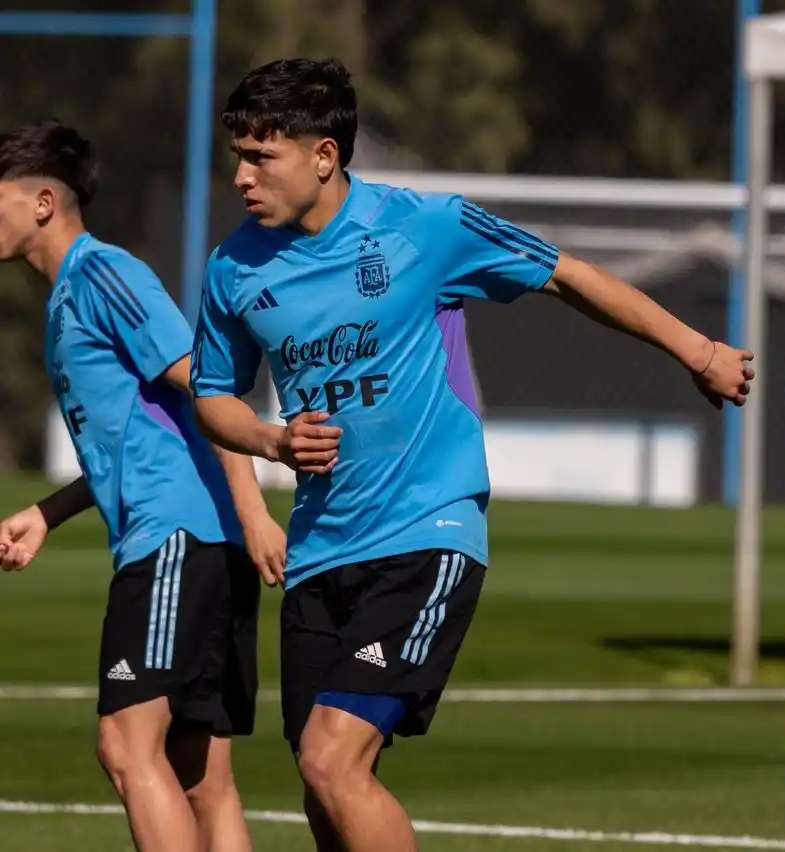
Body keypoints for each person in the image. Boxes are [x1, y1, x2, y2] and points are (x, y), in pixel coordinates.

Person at [190, 57, 754, 852]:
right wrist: (271, 440)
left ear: (324, 155)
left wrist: (698, 351)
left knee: (329, 758)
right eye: (237, 156)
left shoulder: (424, 227)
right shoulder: (232, 268)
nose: (242, 177)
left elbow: (567, 277)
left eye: (261, 157)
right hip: (320, 549)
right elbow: (213, 392)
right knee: (324, 786)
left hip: (425, 529)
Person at [0, 120, 288, 852]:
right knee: (200, 777)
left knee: (127, 747)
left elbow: (207, 389)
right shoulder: (68, 299)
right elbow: (133, 439)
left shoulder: (102, 275)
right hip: (195, 543)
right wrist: (50, 512)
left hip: (177, 541)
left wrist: (254, 512)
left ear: (42, 203)